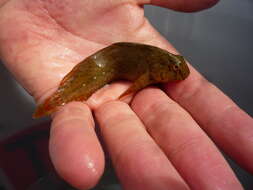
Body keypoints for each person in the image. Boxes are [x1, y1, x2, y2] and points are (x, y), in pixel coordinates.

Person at [0, 0, 252, 189]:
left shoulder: (157, 66)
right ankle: (65, 95)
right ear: (162, 69)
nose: (176, 72)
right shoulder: (151, 70)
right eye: (173, 69)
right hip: (104, 62)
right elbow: (140, 79)